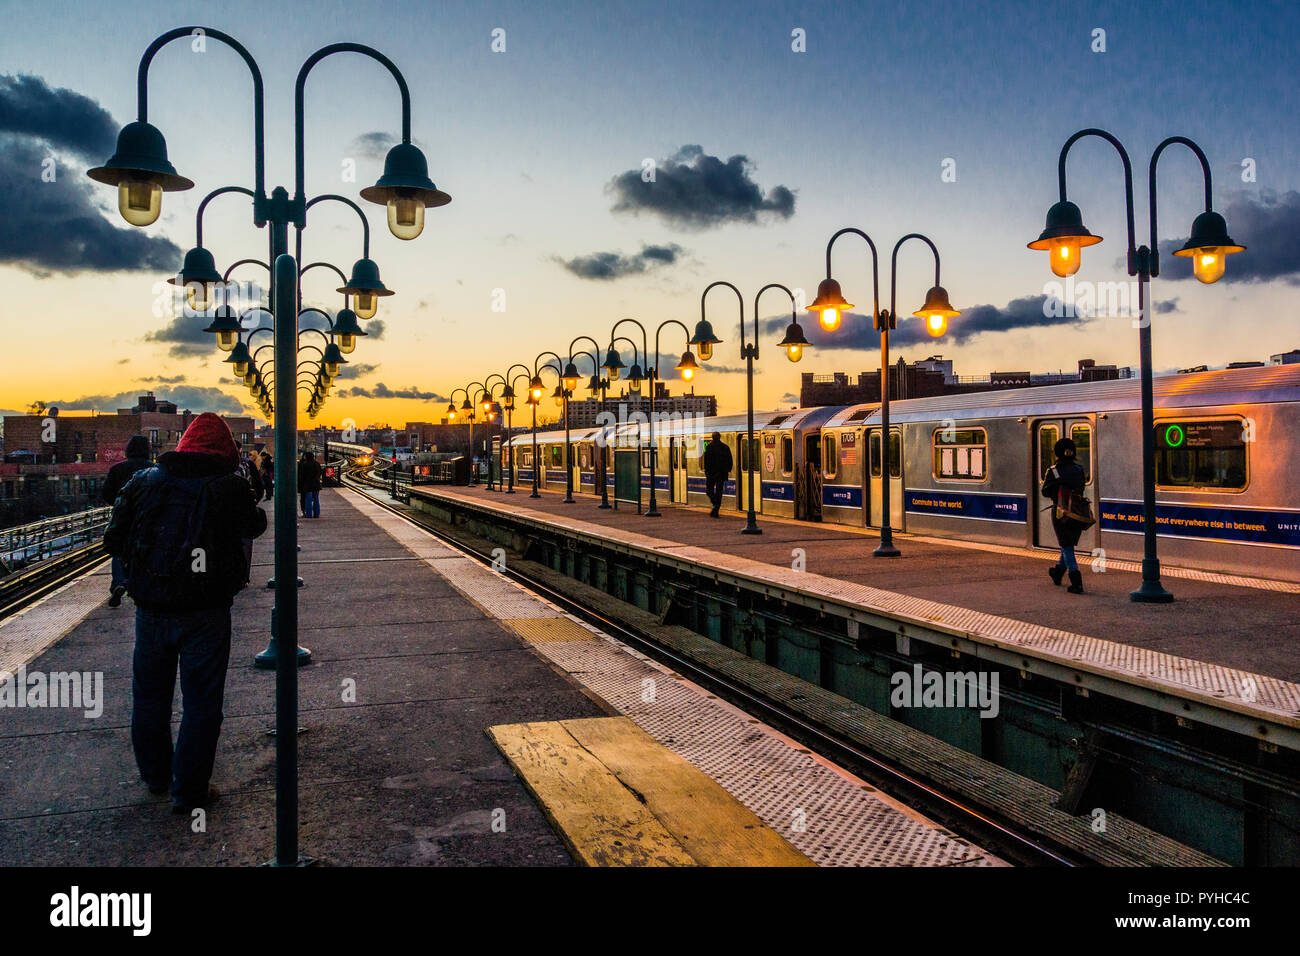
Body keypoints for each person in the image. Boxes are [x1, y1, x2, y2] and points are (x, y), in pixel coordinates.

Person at [103, 412, 266, 813]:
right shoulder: (228, 486)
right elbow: (257, 523)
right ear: (225, 450)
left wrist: (142, 571)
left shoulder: (145, 481)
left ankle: (156, 776)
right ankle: (189, 791)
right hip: (205, 611)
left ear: (183, 445)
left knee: (150, 696)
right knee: (201, 702)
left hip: (152, 609)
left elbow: (113, 538)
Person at [102, 434, 153, 608]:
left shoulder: (117, 469)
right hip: (146, 517)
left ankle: (119, 583)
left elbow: (106, 493)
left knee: (119, 550)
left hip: (123, 516)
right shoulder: (154, 469)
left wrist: (118, 505)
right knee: (145, 549)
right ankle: (139, 581)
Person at [1041, 437, 1088, 594]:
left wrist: (1056, 487)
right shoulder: (1079, 469)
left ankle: (1077, 582)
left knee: (1066, 546)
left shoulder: (1053, 471)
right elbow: (1081, 488)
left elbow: (1045, 492)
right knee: (1066, 544)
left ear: (1057, 452)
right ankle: (1057, 572)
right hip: (1077, 511)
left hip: (1060, 512)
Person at [234, 442, 263, 585]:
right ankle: (243, 577)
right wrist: (253, 503)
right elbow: (259, 487)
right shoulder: (247, 465)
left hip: (225, 514)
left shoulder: (219, 465)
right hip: (245, 512)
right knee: (245, 545)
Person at [702, 431, 733, 518]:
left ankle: (715, 505)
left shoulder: (708, 447)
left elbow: (706, 461)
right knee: (719, 492)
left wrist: (707, 472)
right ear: (719, 437)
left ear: (712, 437)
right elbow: (730, 460)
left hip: (711, 474)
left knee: (709, 491)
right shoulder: (725, 447)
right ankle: (716, 508)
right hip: (722, 474)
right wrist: (727, 470)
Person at [298, 450, 322, 518]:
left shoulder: (304, 464)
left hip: (307, 484)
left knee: (308, 499)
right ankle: (316, 514)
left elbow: (302, 475)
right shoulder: (317, 463)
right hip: (316, 484)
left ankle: (309, 514)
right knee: (316, 499)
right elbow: (320, 472)